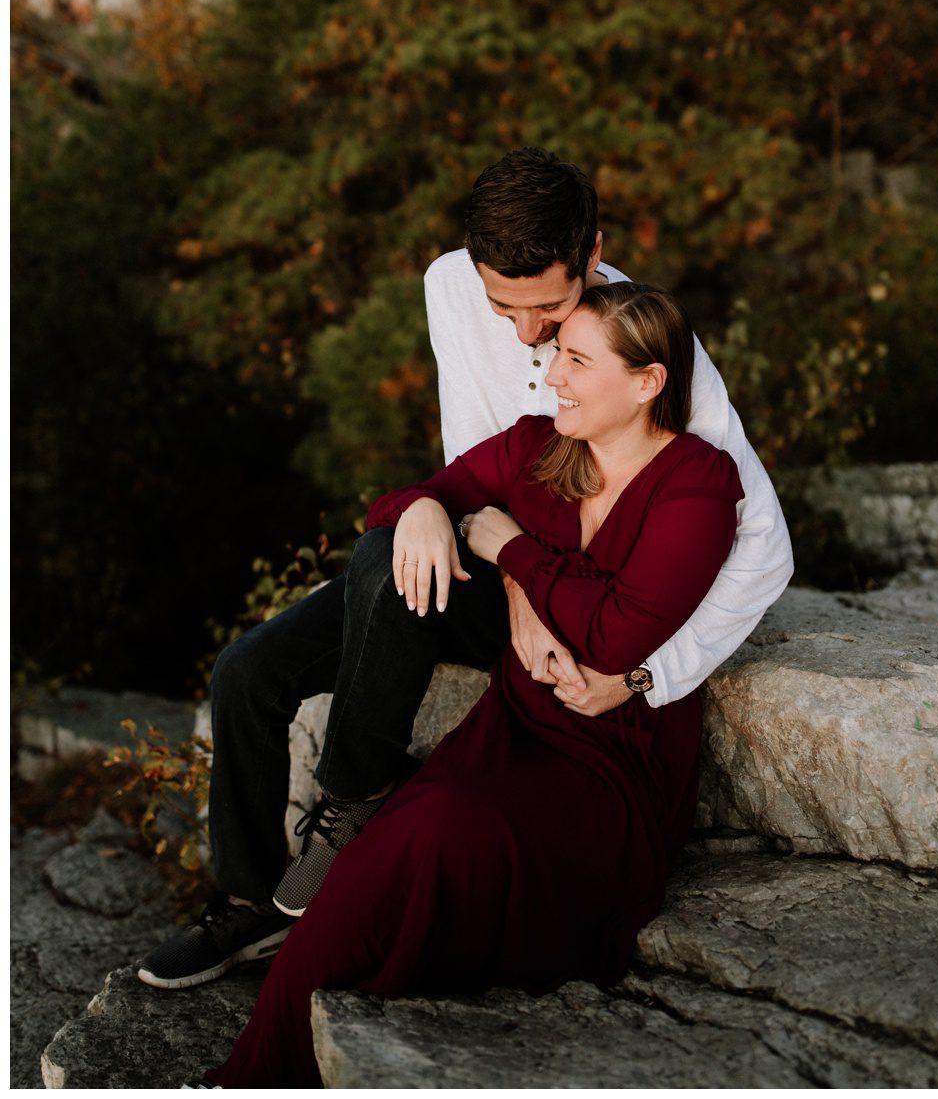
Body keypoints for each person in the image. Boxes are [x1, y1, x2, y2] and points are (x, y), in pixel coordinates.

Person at [141, 149, 791, 990]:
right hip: (497, 559)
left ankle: (351, 804)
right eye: (504, 305)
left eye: (550, 308)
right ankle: (250, 905)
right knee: (247, 671)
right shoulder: (448, 285)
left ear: (593, 254)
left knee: (381, 557)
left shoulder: (649, 346)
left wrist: (648, 673)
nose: (526, 332)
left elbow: (764, 541)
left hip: (580, 604)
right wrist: (425, 508)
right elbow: (482, 468)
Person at [204, 281, 739, 1084]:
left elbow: (615, 632)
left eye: (577, 359)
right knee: (368, 868)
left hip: (613, 765)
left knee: (443, 831)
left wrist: (509, 545)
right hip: (511, 730)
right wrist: (425, 509)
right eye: (559, 353)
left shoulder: (699, 482)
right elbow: (403, 501)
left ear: (647, 382)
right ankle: (246, 1074)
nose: (551, 372)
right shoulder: (536, 447)